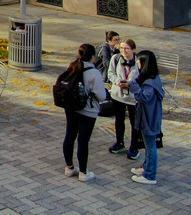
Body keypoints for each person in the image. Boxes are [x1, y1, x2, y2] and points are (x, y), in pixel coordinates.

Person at [60, 43, 107, 183]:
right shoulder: (94, 73)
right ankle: (83, 172)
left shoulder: (73, 66)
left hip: (71, 107)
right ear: (93, 56)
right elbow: (102, 96)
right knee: (83, 141)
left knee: (70, 135)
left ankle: (69, 167)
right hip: (87, 110)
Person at [129, 51, 164, 185]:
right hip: (151, 117)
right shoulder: (153, 78)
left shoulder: (150, 83)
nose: (137, 63)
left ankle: (150, 175)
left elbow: (143, 97)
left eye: (138, 61)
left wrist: (134, 86)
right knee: (149, 145)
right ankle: (146, 167)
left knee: (150, 146)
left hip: (149, 119)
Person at [107, 38, 141, 159]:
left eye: (126, 48)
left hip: (133, 98)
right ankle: (119, 142)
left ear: (133, 50)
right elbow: (110, 73)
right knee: (119, 120)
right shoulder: (115, 58)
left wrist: (130, 84)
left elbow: (142, 79)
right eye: (121, 48)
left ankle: (134, 146)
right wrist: (117, 82)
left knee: (134, 123)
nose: (124, 51)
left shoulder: (139, 62)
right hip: (118, 95)